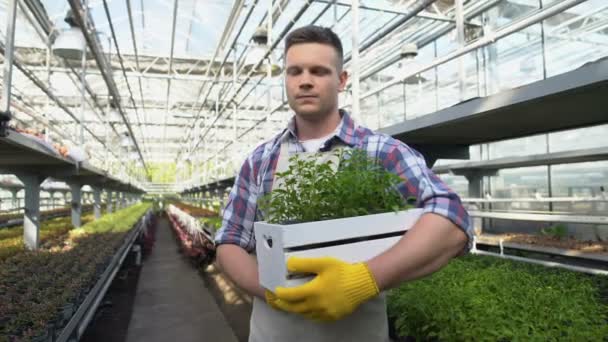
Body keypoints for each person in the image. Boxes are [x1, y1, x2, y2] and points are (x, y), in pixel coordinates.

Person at [214, 25, 473, 342]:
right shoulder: (260, 160)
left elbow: (452, 220)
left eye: (319, 71)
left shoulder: (381, 152)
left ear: (341, 80)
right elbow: (229, 241)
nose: (305, 80)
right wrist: (272, 292)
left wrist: (364, 279)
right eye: (295, 71)